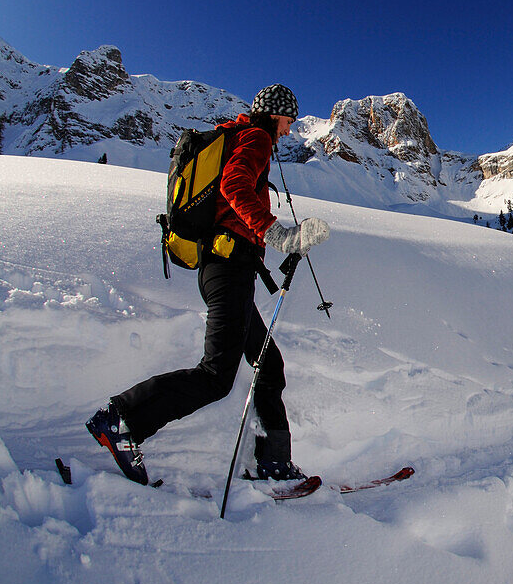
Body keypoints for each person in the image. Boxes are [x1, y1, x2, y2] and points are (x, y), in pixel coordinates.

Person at [86, 84, 330, 485]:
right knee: (216, 376)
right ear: (274, 115)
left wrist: (277, 240)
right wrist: (277, 234)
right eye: (288, 121)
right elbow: (233, 186)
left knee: (268, 364)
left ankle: (273, 462)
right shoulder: (254, 138)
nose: (288, 130)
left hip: (229, 268)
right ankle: (121, 419)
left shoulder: (243, 136)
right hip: (227, 269)